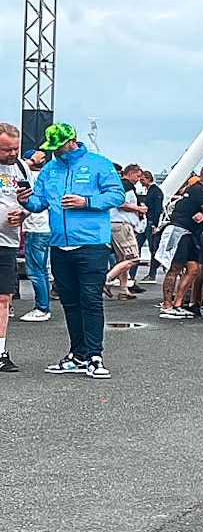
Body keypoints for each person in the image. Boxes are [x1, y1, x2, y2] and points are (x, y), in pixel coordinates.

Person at [24, 122, 124, 378]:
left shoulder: (99, 163)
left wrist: (86, 202)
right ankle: (78, 353)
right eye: (52, 148)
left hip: (91, 243)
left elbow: (117, 196)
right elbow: (40, 202)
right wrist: (26, 200)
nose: (57, 152)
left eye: (60, 146)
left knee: (90, 299)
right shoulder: (50, 169)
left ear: (73, 140)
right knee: (70, 302)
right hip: (59, 243)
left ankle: (95, 355)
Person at [159, 164, 203, 318]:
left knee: (194, 269)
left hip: (191, 234)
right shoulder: (197, 190)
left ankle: (178, 302)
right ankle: (167, 305)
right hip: (179, 231)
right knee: (175, 268)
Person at [0, 122, 28, 372]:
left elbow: (29, 201)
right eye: (6, 150)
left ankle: (0, 352)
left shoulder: (21, 168)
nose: (12, 154)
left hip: (7, 241)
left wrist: (24, 212)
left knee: (3, 297)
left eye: (15, 149)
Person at [104, 166, 147, 300]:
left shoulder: (116, 185)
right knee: (132, 258)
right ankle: (107, 279)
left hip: (115, 224)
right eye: (138, 176)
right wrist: (138, 208)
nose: (139, 180)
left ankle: (124, 289)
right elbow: (120, 203)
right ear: (131, 173)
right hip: (122, 225)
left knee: (122, 259)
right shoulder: (126, 186)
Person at [19, 148, 52, 320]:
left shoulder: (30, 175)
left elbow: (20, 164)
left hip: (36, 228)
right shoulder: (45, 176)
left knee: (35, 271)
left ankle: (42, 308)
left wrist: (31, 159)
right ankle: (43, 306)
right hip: (45, 227)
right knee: (42, 270)